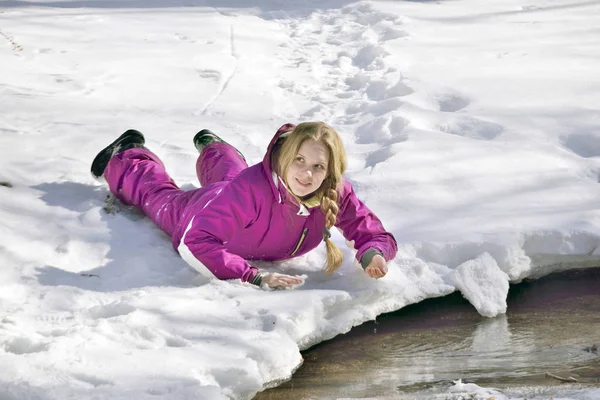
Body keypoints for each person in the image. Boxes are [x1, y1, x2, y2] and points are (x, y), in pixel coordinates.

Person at [91, 122, 397, 289]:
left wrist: (374, 255)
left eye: (318, 166)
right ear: (285, 156)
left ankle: (216, 148)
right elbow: (196, 242)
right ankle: (128, 153)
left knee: (230, 179)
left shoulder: (334, 191)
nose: (306, 174)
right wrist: (254, 275)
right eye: (299, 160)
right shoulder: (251, 190)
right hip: (202, 212)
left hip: (235, 192)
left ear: (331, 170)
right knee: (156, 196)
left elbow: (368, 230)